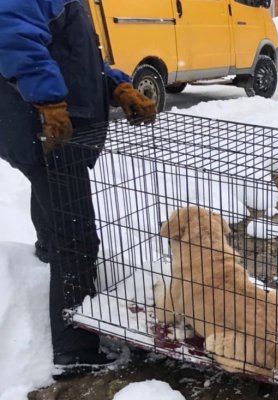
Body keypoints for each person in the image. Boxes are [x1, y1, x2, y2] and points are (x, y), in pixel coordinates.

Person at [0, 0, 156, 372]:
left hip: (53, 130)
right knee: (78, 239)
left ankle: (47, 257)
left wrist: (117, 85)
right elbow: (14, 39)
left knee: (56, 213)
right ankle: (75, 350)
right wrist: (49, 101)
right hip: (45, 128)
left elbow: (76, 56)